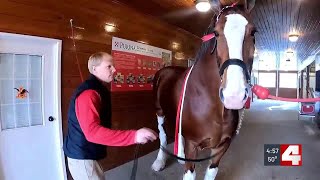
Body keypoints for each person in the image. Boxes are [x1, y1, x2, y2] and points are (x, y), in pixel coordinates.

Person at [63, 52, 158, 180]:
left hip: (87, 153)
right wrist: (134, 136)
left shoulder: (98, 89)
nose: (114, 69)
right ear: (95, 69)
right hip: (82, 157)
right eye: (109, 66)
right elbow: (92, 133)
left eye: (113, 66)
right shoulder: (89, 93)